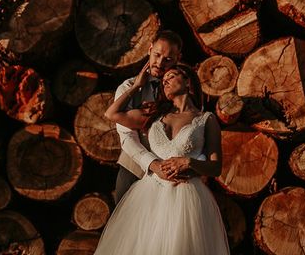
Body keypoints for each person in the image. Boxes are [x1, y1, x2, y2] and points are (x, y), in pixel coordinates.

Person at [95, 63, 230, 255]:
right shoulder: (155, 115)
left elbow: (215, 167)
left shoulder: (206, 119)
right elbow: (111, 114)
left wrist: (188, 162)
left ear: (187, 81)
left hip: (187, 198)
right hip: (150, 193)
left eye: (172, 76)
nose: (165, 81)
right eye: (163, 80)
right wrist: (136, 86)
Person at [113, 30, 184, 203]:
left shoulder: (184, 92)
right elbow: (127, 137)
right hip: (133, 171)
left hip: (171, 177)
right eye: (157, 55)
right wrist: (154, 165)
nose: (159, 63)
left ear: (178, 58)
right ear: (150, 49)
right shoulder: (127, 88)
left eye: (168, 59)